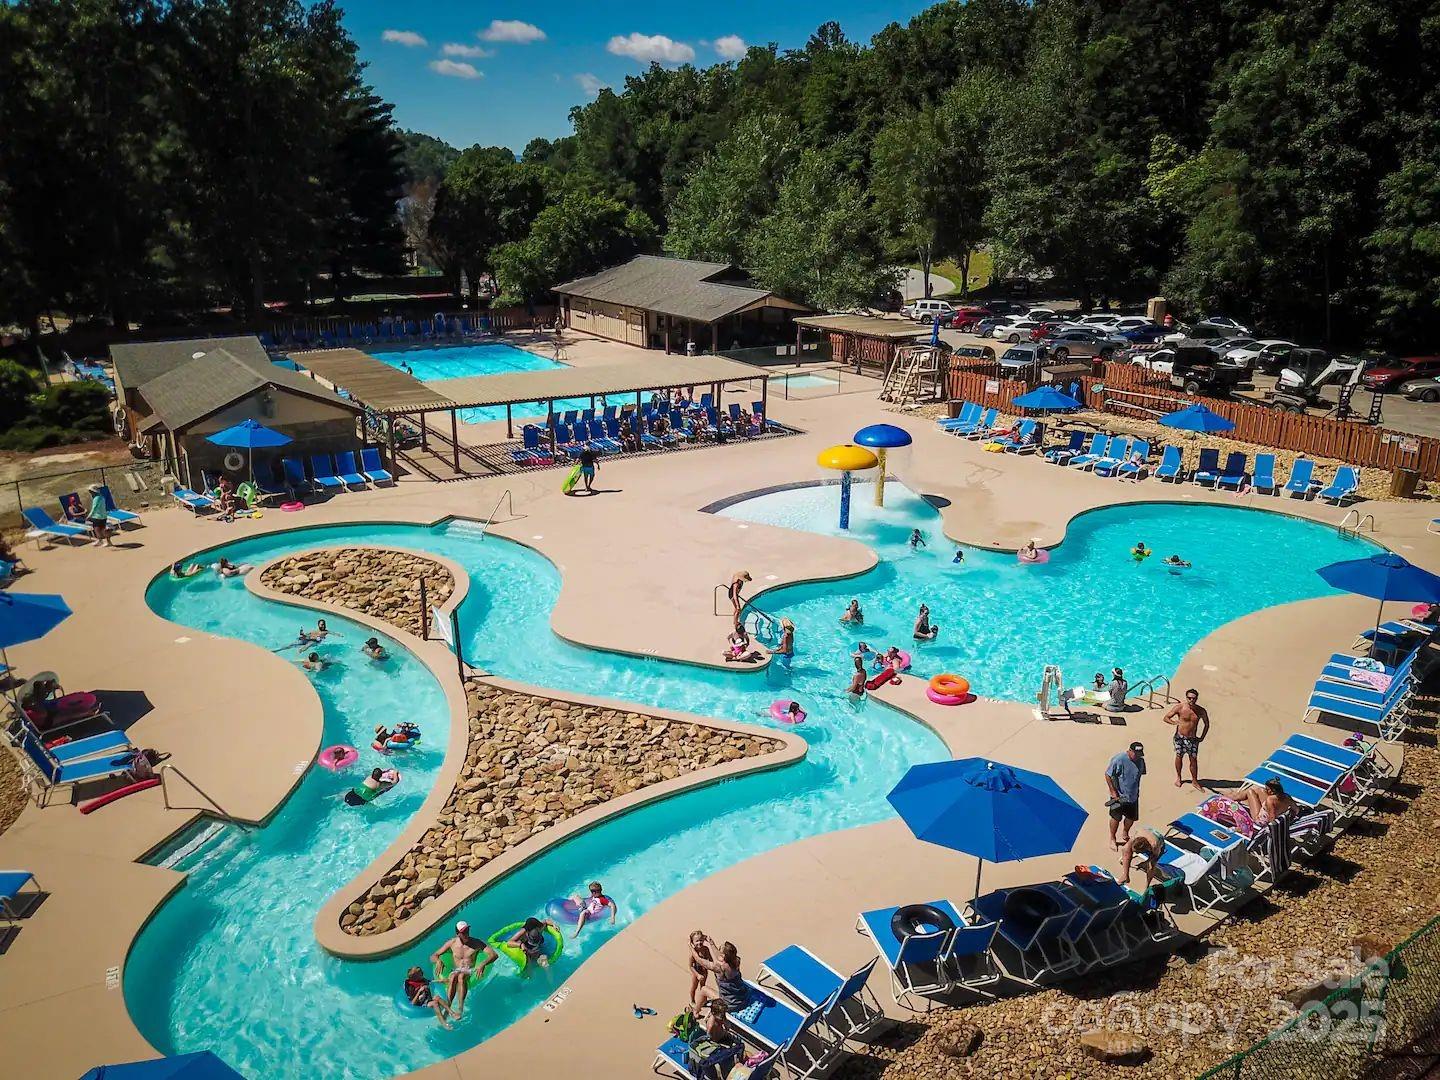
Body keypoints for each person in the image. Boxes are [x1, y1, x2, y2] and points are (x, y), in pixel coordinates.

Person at [431, 921, 498, 1021]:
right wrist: (438, 961)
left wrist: (483, 963)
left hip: (470, 970)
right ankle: (448, 1007)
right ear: (458, 934)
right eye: (463, 932)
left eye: (467, 930)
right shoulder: (452, 943)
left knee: (461, 976)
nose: (467, 933)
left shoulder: (476, 943)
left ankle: (460, 1009)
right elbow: (433, 956)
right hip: (456, 970)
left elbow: (494, 955)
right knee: (454, 976)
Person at [1162, 688, 1211, 788]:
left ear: (1197, 698)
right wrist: (1174, 722)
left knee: (1193, 760)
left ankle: (1194, 781)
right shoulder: (1180, 707)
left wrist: (1202, 737)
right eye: (1189, 698)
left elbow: (1207, 724)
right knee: (1179, 757)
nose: (1191, 700)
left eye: (1193, 698)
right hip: (1180, 738)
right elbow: (1166, 717)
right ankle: (1179, 778)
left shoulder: (1201, 711)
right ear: (1186, 697)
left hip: (1192, 739)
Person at [1105, 742, 1146, 850]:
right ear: (1130, 751)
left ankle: (1125, 832)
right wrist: (1113, 792)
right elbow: (1108, 775)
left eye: (1140, 754)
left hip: (1133, 796)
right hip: (1119, 796)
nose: (1138, 756)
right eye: (1136, 754)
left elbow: (1139, 776)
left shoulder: (1141, 761)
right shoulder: (1118, 759)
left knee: (1131, 818)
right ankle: (1112, 838)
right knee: (1115, 818)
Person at [692, 937, 748, 1013]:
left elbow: (699, 960)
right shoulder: (736, 960)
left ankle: (695, 1012)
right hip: (743, 997)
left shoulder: (720, 969)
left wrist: (690, 946)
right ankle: (701, 1004)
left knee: (703, 990)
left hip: (731, 1004)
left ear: (724, 956)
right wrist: (711, 944)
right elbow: (719, 958)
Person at [687, 930, 714, 1006]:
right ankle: (692, 1000)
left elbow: (710, 959)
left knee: (703, 987)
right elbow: (690, 966)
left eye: (701, 940)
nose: (699, 942)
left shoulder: (706, 949)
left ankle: (704, 1001)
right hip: (696, 972)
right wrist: (697, 975)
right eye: (697, 941)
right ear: (692, 943)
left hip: (704, 971)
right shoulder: (692, 954)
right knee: (694, 987)